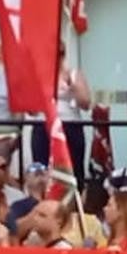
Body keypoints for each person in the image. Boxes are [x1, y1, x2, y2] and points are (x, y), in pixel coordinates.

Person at [30, 44, 92, 186]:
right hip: (43, 124)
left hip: (69, 124)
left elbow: (86, 103)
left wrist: (73, 87)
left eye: (60, 54)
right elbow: (31, 111)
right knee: (42, 166)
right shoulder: (38, 75)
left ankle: (75, 199)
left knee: (73, 165)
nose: (57, 58)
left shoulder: (73, 74)